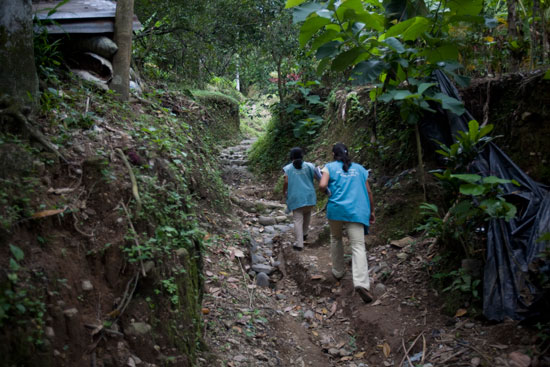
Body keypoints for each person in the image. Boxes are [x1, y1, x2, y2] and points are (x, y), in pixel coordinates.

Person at [319, 143, 375, 303]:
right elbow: (369, 191)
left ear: (333, 154)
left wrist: (325, 191)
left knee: (336, 238)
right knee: (358, 246)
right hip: (357, 211)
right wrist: (371, 211)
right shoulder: (360, 169)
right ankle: (361, 283)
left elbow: (322, 185)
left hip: (336, 209)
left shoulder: (329, 167)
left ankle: (338, 271)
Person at [282, 147, 318, 251]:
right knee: (307, 215)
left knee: (298, 220)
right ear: (302, 156)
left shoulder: (288, 168)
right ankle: (305, 234)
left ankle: (299, 243)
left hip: (296, 197)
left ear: (291, 157)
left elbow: (286, 182)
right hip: (310, 196)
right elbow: (318, 177)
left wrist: (284, 191)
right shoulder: (310, 166)